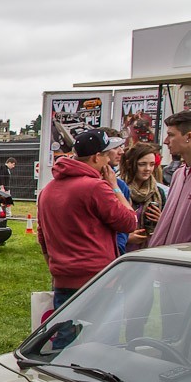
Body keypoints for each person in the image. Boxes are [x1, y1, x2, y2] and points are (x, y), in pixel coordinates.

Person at [37, 129, 137, 311]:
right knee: (99, 328)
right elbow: (129, 222)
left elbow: (42, 236)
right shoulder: (96, 187)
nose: (108, 161)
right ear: (96, 157)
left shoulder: (47, 190)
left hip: (62, 280)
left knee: (66, 328)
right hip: (97, 280)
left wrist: (56, 268)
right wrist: (115, 187)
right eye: (106, 155)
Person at [149, 111, 191, 247]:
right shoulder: (179, 174)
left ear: (188, 136)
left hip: (185, 258)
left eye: (171, 135)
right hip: (165, 256)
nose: (166, 141)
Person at [119, 142, 166, 252]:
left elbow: (167, 228)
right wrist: (126, 238)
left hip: (149, 251)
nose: (148, 169)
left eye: (152, 164)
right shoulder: (118, 188)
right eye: (142, 164)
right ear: (130, 164)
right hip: (121, 252)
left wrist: (162, 220)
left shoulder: (158, 192)